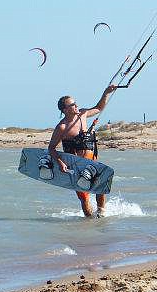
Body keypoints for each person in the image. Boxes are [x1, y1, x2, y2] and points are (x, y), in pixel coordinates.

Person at [48, 85, 118, 217]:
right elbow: (51, 148)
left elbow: (99, 108)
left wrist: (106, 93)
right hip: (76, 165)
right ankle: (89, 222)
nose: (76, 106)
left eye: (75, 103)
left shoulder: (83, 114)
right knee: (84, 196)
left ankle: (101, 215)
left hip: (92, 161)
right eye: (72, 104)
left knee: (100, 188)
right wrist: (60, 163)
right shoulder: (62, 127)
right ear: (65, 109)